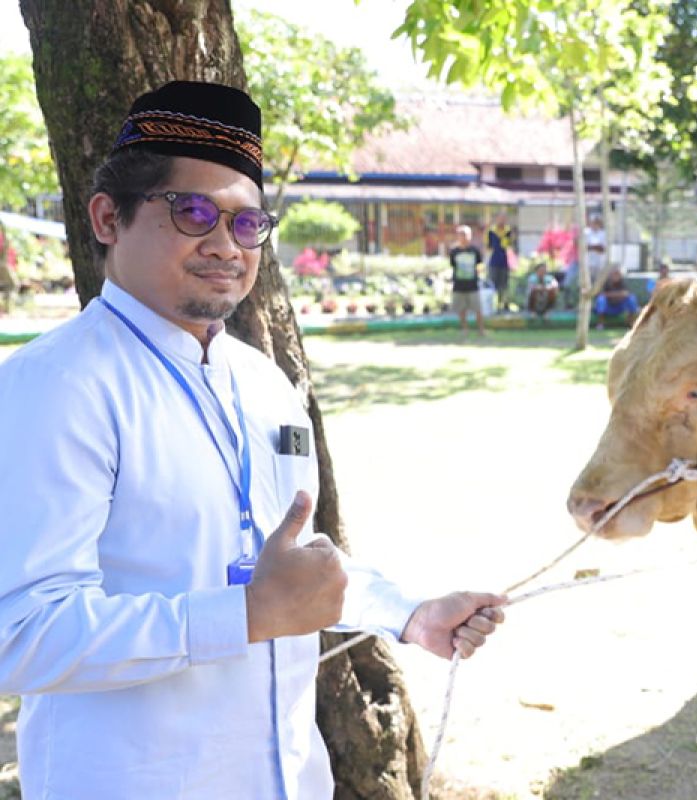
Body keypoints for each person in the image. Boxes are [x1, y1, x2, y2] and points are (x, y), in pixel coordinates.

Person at [0, 81, 507, 800]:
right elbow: (20, 632)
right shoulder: (57, 386)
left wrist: (409, 614)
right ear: (108, 218)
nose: (225, 245)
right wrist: (244, 617)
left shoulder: (262, 381)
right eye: (193, 211)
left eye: (246, 224)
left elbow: (287, 572)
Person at [449, 224, 487, 336]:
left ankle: (481, 330)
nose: (463, 237)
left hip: (473, 284)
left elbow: (479, 266)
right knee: (461, 309)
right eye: (461, 235)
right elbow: (453, 266)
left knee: (477, 308)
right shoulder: (454, 251)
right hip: (459, 284)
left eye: (465, 235)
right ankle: (464, 329)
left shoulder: (474, 250)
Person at [486, 211, 515, 312]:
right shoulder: (491, 231)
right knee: (493, 284)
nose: (502, 220)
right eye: (500, 218)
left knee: (504, 284)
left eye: (504, 218)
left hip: (504, 261)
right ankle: (492, 306)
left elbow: (509, 246)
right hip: (494, 261)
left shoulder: (508, 231)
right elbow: (488, 246)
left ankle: (503, 304)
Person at [585, 213, 607, 286]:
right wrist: (595, 247)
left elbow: (602, 249)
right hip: (588, 263)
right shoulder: (586, 232)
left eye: (597, 222)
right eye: (594, 222)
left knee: (599, 283)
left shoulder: (603, 234)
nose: (595, 224)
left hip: (600, 263)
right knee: (588, 282)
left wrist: (592, 247)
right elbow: (585, 247)